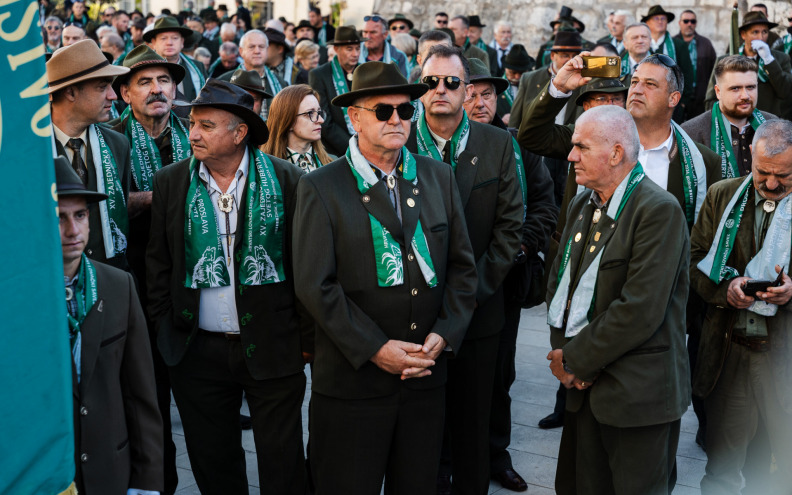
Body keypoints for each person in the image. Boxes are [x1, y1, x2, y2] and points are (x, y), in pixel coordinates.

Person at [292, 60, 477, 495]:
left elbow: (462, 268)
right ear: (354, 117)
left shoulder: (438, 177)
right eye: (382, 111)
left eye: (405, 110)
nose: (397, 119)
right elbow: (315, 285)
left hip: (424, 382)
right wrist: (375, 348)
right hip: (353, 385)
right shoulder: (322, 186)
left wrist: (445, 335)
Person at [146, 79, 307, 495]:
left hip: (273, 346)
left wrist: (304, 338)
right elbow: (159, 263)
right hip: (198, 351)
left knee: (283, 462)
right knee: (212, 462)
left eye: (206, 125)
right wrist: (168, 330)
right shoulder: (171, 182)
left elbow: (307, 263)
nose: (193, 133)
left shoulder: (288, 180)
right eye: (193, 123)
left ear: (239, 134)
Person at [546, 104, 691, 495]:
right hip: (583, 391)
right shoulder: (582, 202)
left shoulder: (659, 210)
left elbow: (639, 310)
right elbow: (561, 285)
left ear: (615, 153)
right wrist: (565, 358)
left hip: (636, 398)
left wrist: (574, 360)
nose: (571, 155)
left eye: (581, 146)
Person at [407, 44, 524, 495]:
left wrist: (468, 295)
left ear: (467, 89)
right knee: (424, 427)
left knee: (474, 425)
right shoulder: (399, 141)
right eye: (432, 82)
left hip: (479, 311)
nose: (441, 90)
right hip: (416, 315)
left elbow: (509, 226)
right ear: (420, 90)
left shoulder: (497, 143)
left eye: (452, 82)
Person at [462, 57, 558, 493]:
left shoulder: (516, 145)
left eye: (487, 94)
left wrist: (518, 247)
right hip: (443, 285)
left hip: (503, 280)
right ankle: (448, 461)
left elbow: (544, 205)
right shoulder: (427, 147)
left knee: (499, 375)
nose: (479, 102)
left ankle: (495, 455)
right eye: (470, 92)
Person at [690, 119, 792, 494]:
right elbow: (693, 261)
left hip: (784, 359)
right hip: (729, 354)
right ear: (751, 157)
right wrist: (726, 289)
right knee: (721, 468)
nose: (771, 184)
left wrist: (790, 294)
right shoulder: (722, 195)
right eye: (763, 173)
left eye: (784, 176)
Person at [55, 156, 164, 495]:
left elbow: (141, 393)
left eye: (81, 215)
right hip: (52, 474)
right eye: (59, 218)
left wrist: (146, 483)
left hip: (111, 471)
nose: (73, 230)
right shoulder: (19, 300)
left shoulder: (119, 286)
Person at [109, 45, 190, 494]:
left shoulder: (195, 133)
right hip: (137, 284)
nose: (157, 90)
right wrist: (163, 196)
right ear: (124, 93)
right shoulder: (111, 140)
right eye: (144, 81)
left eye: (164, 81)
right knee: (149, 398)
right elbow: (105, 207)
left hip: (194, 283)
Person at [47, 39, 132, 271]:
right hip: (48, 281)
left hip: (108, 279)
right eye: (102, 86)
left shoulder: (118, 144)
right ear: (71, 92)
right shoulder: (31, 150)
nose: (113, 96)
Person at [683, 56, 777, 178]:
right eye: (735, 88)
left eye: (750, 87)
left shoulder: (774, 126)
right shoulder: (691, 133)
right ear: (718, 92)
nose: (745, 95)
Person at [705, 12, 792, 120]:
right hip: (735, 123)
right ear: (743, 34)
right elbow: (711, 98)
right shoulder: (725, 60)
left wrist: (768, 60)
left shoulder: (781, 58)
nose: (761, 37)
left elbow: (786, 92)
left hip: (769, 124)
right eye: (755, 32)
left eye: (764, 32)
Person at [508, 30, 583, 129]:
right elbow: (515, 120)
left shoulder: (582, 82)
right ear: (552, 56)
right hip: (534, 142)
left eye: (575, 56)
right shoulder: (529, 79)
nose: (571, 60)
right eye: (565, 55)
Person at [309, 26, 365, 156]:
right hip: (335, 150)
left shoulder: (365, 72)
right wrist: (353, 147)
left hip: (366, 144)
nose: (355, 54)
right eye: (349, 49)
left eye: (358, 48)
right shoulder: (319, 74)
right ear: (336, 49)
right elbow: (323, 118)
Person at [218, 29, 288, 120]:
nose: (257, 51)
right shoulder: (224, 82)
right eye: (251, 47)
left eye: (261, 46)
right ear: (241, 51)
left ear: (267, 50)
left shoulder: (281, 83)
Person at [641, 5, 695, 120]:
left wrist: (682, 103)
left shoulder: (678, 45)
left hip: (671, 106)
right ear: (647, 23)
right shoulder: (642, 45)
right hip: (644, 104)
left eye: (663, 19)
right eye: (656, 18)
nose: (660, 21)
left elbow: (688, 74)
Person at [263, 84, 333, 172]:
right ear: (288, 120)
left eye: (319, 112)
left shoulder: (333, 163)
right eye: (310, 113)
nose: (321, 120)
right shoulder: (265, 169)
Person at [145, 16, 206, 102]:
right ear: (154, 42)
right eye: (163, 38)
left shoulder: (198, 68)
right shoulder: (143, 69)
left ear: (182, 42)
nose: (169, 43)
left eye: (175, 38)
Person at [674, 9, 717, 119]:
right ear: (680, 23)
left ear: (696, 23)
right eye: (686, 21)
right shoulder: (672, 44)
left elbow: (715, 70)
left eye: (692, 21)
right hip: (678, 99)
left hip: (700, 100)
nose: (689, 24)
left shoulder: (705, 43)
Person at [498, 44, 534, 122]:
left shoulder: (535, 86)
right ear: (505, 69)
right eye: (513, 72)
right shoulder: (496, 87)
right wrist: (501, 120)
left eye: (522, 73)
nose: (517, 77)